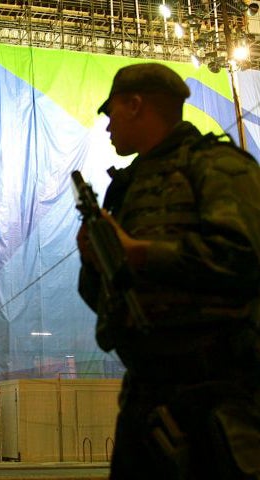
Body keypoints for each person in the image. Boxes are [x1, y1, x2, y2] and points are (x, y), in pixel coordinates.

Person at [77, 62, 260, 480]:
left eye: (111, 114)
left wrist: (140, 253)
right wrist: (97, 261)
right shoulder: (125, 187)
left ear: (136, 105)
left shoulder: (218, 167)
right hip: (146, 394)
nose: (108, 128)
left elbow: (246, 261)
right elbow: (108, 298)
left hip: (220, 399)